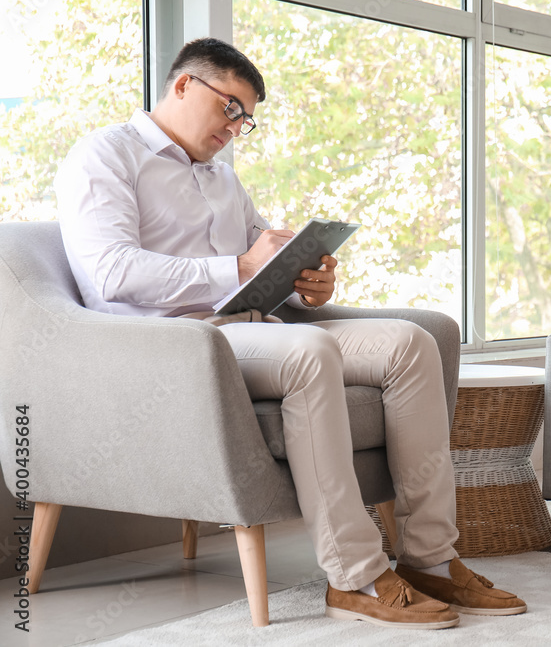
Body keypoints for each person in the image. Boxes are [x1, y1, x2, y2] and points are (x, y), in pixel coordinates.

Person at [55, 37, 525, 629]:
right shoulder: (105, 154)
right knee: (310, 349)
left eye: (246, 119)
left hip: (251, 332)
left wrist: (305, 283)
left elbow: (259, 262)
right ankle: (355, 576)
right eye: (231, 108)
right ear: (183, 85)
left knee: (410, 342)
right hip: (172, 345)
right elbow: (110, 272)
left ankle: (431, 556)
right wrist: (242, 267)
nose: (236, 127)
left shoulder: (223, 180)